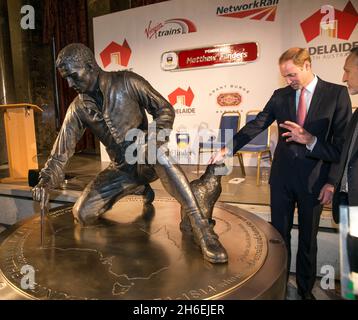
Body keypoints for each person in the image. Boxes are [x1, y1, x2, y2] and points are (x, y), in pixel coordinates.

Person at [31, 43, 228, 264]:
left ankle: (202, 228)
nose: (69, 84)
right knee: (82, 214)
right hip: (121, 169)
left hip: (146, 159)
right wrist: (45, 181)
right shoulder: (78, 108)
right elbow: (60, 153)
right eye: (65, 78)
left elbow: (164, 108)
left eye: (73, 76)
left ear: (90, 66)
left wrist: (154, 137)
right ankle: (138, 186)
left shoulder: (127, 81)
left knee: (156, 152)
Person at [210, 47, 352, 299]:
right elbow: (257, 124)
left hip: (315, 182)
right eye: (285, 76)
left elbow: (341, 145)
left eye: (292, 75)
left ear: (307, 65)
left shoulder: (336, 94)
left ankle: (306, 292)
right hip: (282, 179)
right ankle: (278, 287)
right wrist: (227, 148)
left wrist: (331, 181)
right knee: (279, 238)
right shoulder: (280, 96)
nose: (289, 81)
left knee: (308, 242)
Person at [319, 47, 358, 295]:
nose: (343, 77)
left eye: (347, 70)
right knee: (352, 259)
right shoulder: (356, 115)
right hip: (347, 200)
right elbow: (346, 155)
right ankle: (350, 293)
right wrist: (335, 183)